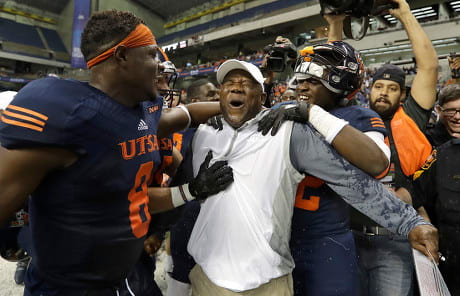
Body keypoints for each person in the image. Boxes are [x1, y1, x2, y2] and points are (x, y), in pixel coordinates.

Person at [0, 10, 234, 296]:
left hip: (125, 278)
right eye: (151, 55)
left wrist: (256, 110)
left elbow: (187, 114)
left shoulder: (142, 115)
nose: (159, 65)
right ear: (122, 56)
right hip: (66, 288)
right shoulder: (65, 113)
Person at [176, 59, 437, 296]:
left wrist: (410, 221)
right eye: (229, 84)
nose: (236, 88)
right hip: (208, 277)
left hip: (270, 280)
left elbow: (350, 181)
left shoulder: (286, 131)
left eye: (246, 84)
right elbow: (176, 198)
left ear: (263, 97)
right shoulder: (204, 135)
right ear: (220, 94)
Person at [263, 15, 390, 295]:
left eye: (312, 80)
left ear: (339, 83)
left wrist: (314, 115)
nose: (301, 86)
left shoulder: (358, 117)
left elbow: (378, 163)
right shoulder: (290, 113)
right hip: (280, 237)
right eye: (301, 79)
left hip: (327, 241)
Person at [352, 0, 438, 295]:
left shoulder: (411, 116)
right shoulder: (354, 118)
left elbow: (428, 67)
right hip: (351, 236)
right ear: (369, 89)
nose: (384, 93)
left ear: (403, 95)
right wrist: (336, 24)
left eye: (392, 89)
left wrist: (404, 14)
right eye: (379, 86)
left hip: (394, 239)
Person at [403, 84, 460, 295]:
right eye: (451, 111)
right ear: (438, 110)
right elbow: (413, 190)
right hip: (436, 238)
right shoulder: (425, 141)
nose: (457, 117)